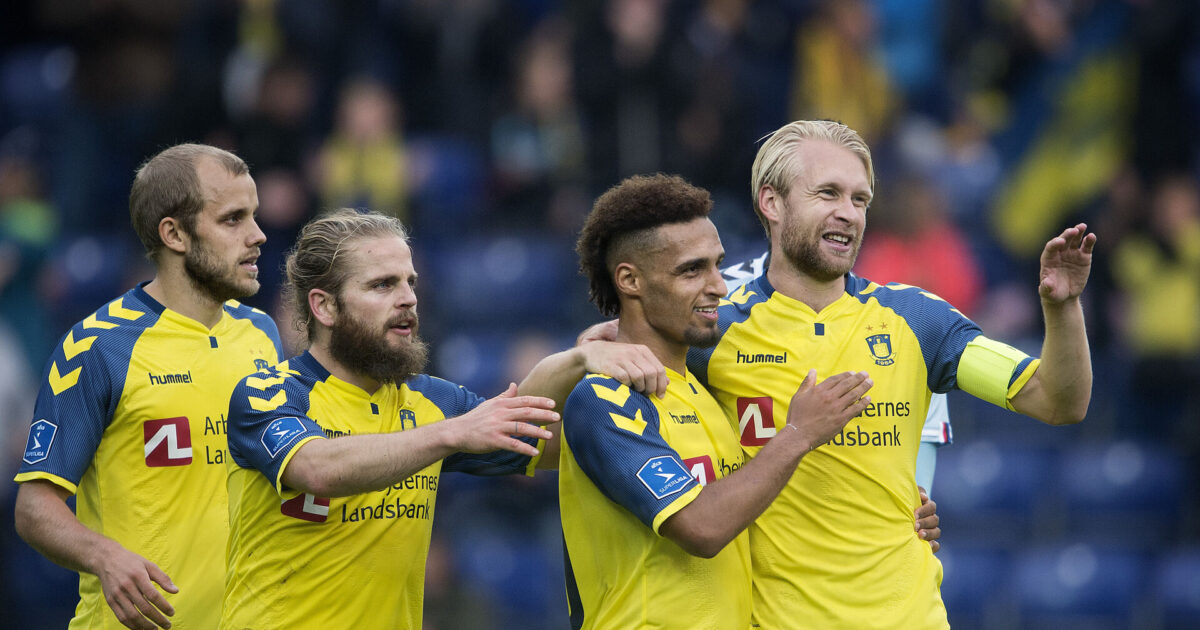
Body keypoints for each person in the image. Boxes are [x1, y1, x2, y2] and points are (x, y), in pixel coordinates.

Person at [687, 120, 1095, 628]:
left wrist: (1063, 309)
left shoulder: (917, 319)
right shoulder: (713, 329)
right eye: (828, 193)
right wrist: (595, 354)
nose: (848, 213)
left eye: (860, 199)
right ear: (772, 203)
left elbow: (1058, 401)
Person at [219, 208, 662, 630]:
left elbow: (536, 438)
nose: (409, 298)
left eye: (410, 282)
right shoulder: (270, 392)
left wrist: (579, 360)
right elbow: (316, 467)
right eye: (382, 285)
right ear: (325, 307)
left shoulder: (431, 400)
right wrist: (453, 433)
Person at [560, 174, 877, 629]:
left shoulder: (703, 392)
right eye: (692, 270)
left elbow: (752, 494)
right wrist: (799, 433)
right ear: (630, 280)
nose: (719, 287)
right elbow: (702, 527)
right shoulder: (603, 401)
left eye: (717, 265)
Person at [13, 144, 283, 630]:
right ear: (174, 234)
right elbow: (35, 509)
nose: (258, 235)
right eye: (233, 220)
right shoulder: (98, 349)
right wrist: (105, 557)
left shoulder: (262, 334)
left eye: (255, 216)